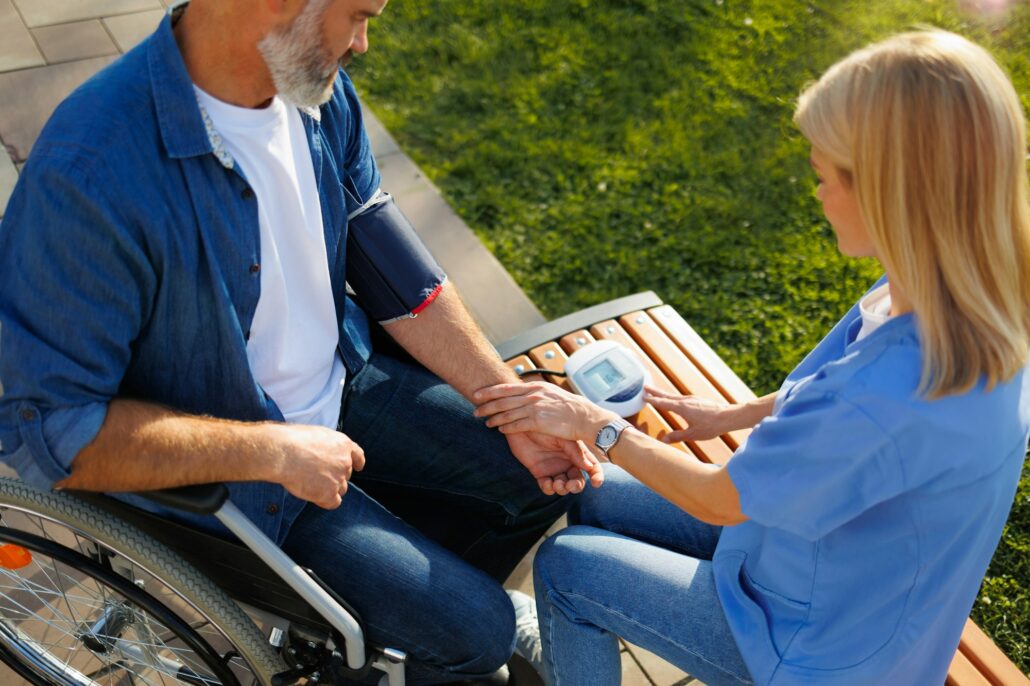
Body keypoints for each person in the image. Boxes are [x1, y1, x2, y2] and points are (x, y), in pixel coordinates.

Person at [0, 0, 603, 683]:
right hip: (241, 477)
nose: (364, 43)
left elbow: (396, 273)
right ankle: (429, 639)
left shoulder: (311, 91)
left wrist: (510, 403)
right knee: (481, 634)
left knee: (541, 480)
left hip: (348, 383)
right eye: (357, 15)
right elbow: (55, 433)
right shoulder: (91, 177)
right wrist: (274, 450)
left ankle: (400, 635)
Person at [474, 30, 1030, 685]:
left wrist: (592, 423)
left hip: (817, 652)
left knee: (568, 568)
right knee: (598, 499)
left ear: (891, 192)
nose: (816, 193)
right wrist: (731, 414)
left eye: (825, 175)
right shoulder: (965, 300)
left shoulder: (885, 396)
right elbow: (841, 412)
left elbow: (719, 498)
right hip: (833, 574)